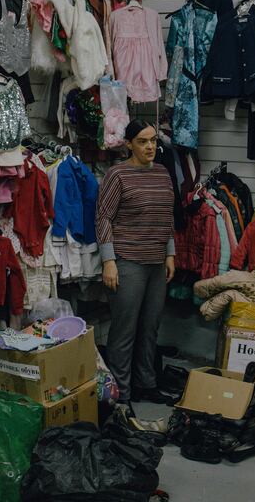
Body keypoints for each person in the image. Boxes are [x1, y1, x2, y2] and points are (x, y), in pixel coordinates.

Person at [95, 119, 176, 414]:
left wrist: (170, 254)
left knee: (150, 327)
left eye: (153, 140)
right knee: (124, 330)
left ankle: (146, 384)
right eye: (142, 141)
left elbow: (167, 217)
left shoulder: (163, 173)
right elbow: (103, 217)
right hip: (127, 261)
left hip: (156, 262)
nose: (150, 146)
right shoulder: (117, 174)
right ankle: (121, 393)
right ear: (129, 144)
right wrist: (109, 261)